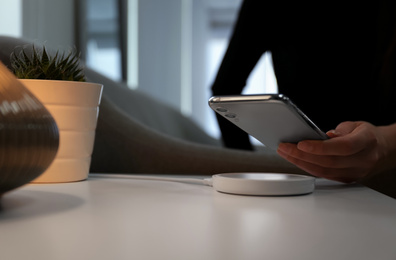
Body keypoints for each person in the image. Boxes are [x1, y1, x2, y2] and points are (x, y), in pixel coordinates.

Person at [211, 1, 396, 185]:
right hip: (357, 179)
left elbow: (225, 88)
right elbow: (224, 89)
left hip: (305, 176)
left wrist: (248, 173)